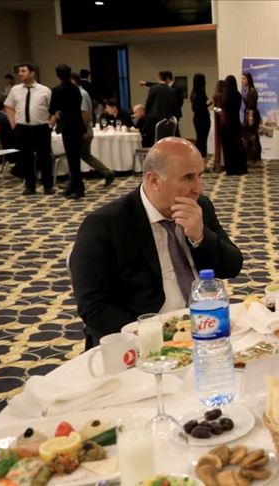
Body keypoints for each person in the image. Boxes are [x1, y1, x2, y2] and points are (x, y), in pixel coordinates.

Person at [70, 137, 243, 347]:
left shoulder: (199, 207)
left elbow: (232, 266)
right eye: (188, 178)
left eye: (200, 176)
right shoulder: (105, 225)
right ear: (154, 181)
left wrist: (200, 236)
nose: (199, 189)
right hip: (143, 337)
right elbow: (94, 308)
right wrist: (157, 334)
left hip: (204, 324)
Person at [4, 63, 53, 195]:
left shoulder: (44, 90)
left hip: (41, 128)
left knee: (44, 157)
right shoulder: (15, 90)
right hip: (22, 128)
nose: (20, 73)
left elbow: (53, 109)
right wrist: (13, 124)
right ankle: (30, 186)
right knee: (26, 158)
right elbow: (8, 107)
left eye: (23, 71)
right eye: (19, 71)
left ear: (32, 73)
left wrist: (50, 124)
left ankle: (48, 185)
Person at [49, 64, 86, 199]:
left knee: (72, 158)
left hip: (67, 126)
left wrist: (58, 111)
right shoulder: (76, 89)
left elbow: (52, 108)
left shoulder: (57, 90)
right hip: (77, 125)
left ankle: (78, 188)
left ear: (58, 75)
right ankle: (74, 185)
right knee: (75, 158)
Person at [71, 72, 114, 187]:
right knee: (85, 155)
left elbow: (84, 113)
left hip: (83, 130)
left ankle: (73, 181)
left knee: (76, 156)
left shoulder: (80, 93)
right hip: (85, 129)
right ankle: (107, 173)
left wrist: (83, 130)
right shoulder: (82, 93)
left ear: (73, 81)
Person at [141, 70, 184, 134]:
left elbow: (179, 102)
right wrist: (146, 83)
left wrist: (146, 112)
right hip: (168, 114)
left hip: (172, 114)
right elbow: (158, 85)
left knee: (173, 130)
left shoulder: (176, 88)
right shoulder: (170, 89)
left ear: (167, 79)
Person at [220, 75, 247, 175]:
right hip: (235, 122)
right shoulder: (238, 95)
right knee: (237, 146)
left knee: (228, 147)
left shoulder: (225, 96)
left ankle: (231, 169)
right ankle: (240, 168)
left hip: (227, 124)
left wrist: (216, 109)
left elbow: (223, 110)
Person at [143, 71, 177, 147]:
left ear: (159, 77)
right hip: (167, 119)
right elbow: (174, 105)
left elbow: (148, 103)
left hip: (154, 118)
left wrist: (146, 113)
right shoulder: (171, 90)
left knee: (152, 140)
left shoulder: (154, 88)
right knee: (165, 140)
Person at [190, 73, 210, 158]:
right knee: (202, 140)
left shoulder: (194, 93)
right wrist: (208, 103)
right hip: (202, 118)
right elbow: (198, 108)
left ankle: (201, 157)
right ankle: (201, 157)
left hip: (198, 118)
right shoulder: (199, 94)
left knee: (201, 139)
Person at [209, 80, 225, 171]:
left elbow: (216, 108)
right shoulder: (224, 96)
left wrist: (215, 109)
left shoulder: (216, 96)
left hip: (218, 122)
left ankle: (219, 164)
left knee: (219, 143)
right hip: (224, 121)